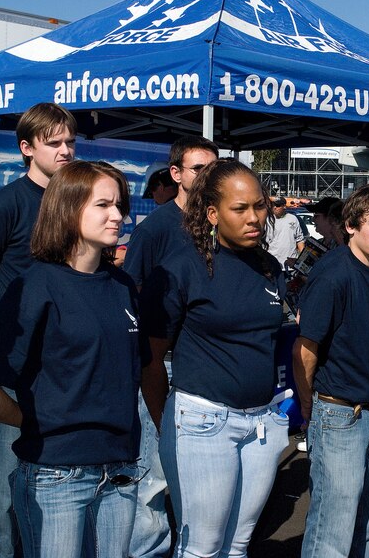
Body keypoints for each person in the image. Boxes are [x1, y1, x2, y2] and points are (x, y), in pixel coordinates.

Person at [0, 160, 147, 558]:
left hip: (121, 469)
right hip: (57, 475)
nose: (118, 215)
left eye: (119, 204)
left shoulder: (122, 286)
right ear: (69, 209)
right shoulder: (35, 286)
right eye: (103, 205)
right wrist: (30, 420)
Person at [139, 159, 289, 558]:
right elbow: (150, 361)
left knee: (238, 545)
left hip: (262, 425)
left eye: (259, 206)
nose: (254, 218)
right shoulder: (180, 269)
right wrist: (166, 425)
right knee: (201, 548)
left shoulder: (269, 268)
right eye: (239, 209)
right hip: (203, 424)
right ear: (212, 213)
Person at [0, 102, 76, 558]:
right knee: (5, 494)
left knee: (60, 486)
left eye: (70, 141)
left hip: (65, 367)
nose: (66, 150)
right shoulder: (2, 206)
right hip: (14, 370)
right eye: (55, 142)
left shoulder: (75, 203)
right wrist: (0, 344)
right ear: (27, 148)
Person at [293, 185, 369, 558]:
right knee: (334, 525)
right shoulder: (332, 275)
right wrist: (310, 409)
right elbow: (305, 350)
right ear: (350, 226)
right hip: (338, 412)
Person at [122, 135, 218, 558]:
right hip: (164, 364)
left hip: (207, 365)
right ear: (176, 173)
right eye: (200, 168)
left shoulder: (219, 225)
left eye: (214, 167)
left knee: (200, 474)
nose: (208, 176)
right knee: (154, 474)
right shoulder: (157, 227)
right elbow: (132, 289)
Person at [265, 196, 305, 267]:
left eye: (277, 206)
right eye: (273, 205)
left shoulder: (293, 219)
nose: (274, 207)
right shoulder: (267, 220)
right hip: (272, 265)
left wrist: (302, 262)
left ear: (284, 206)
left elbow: (300, 241)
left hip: (290, 265)